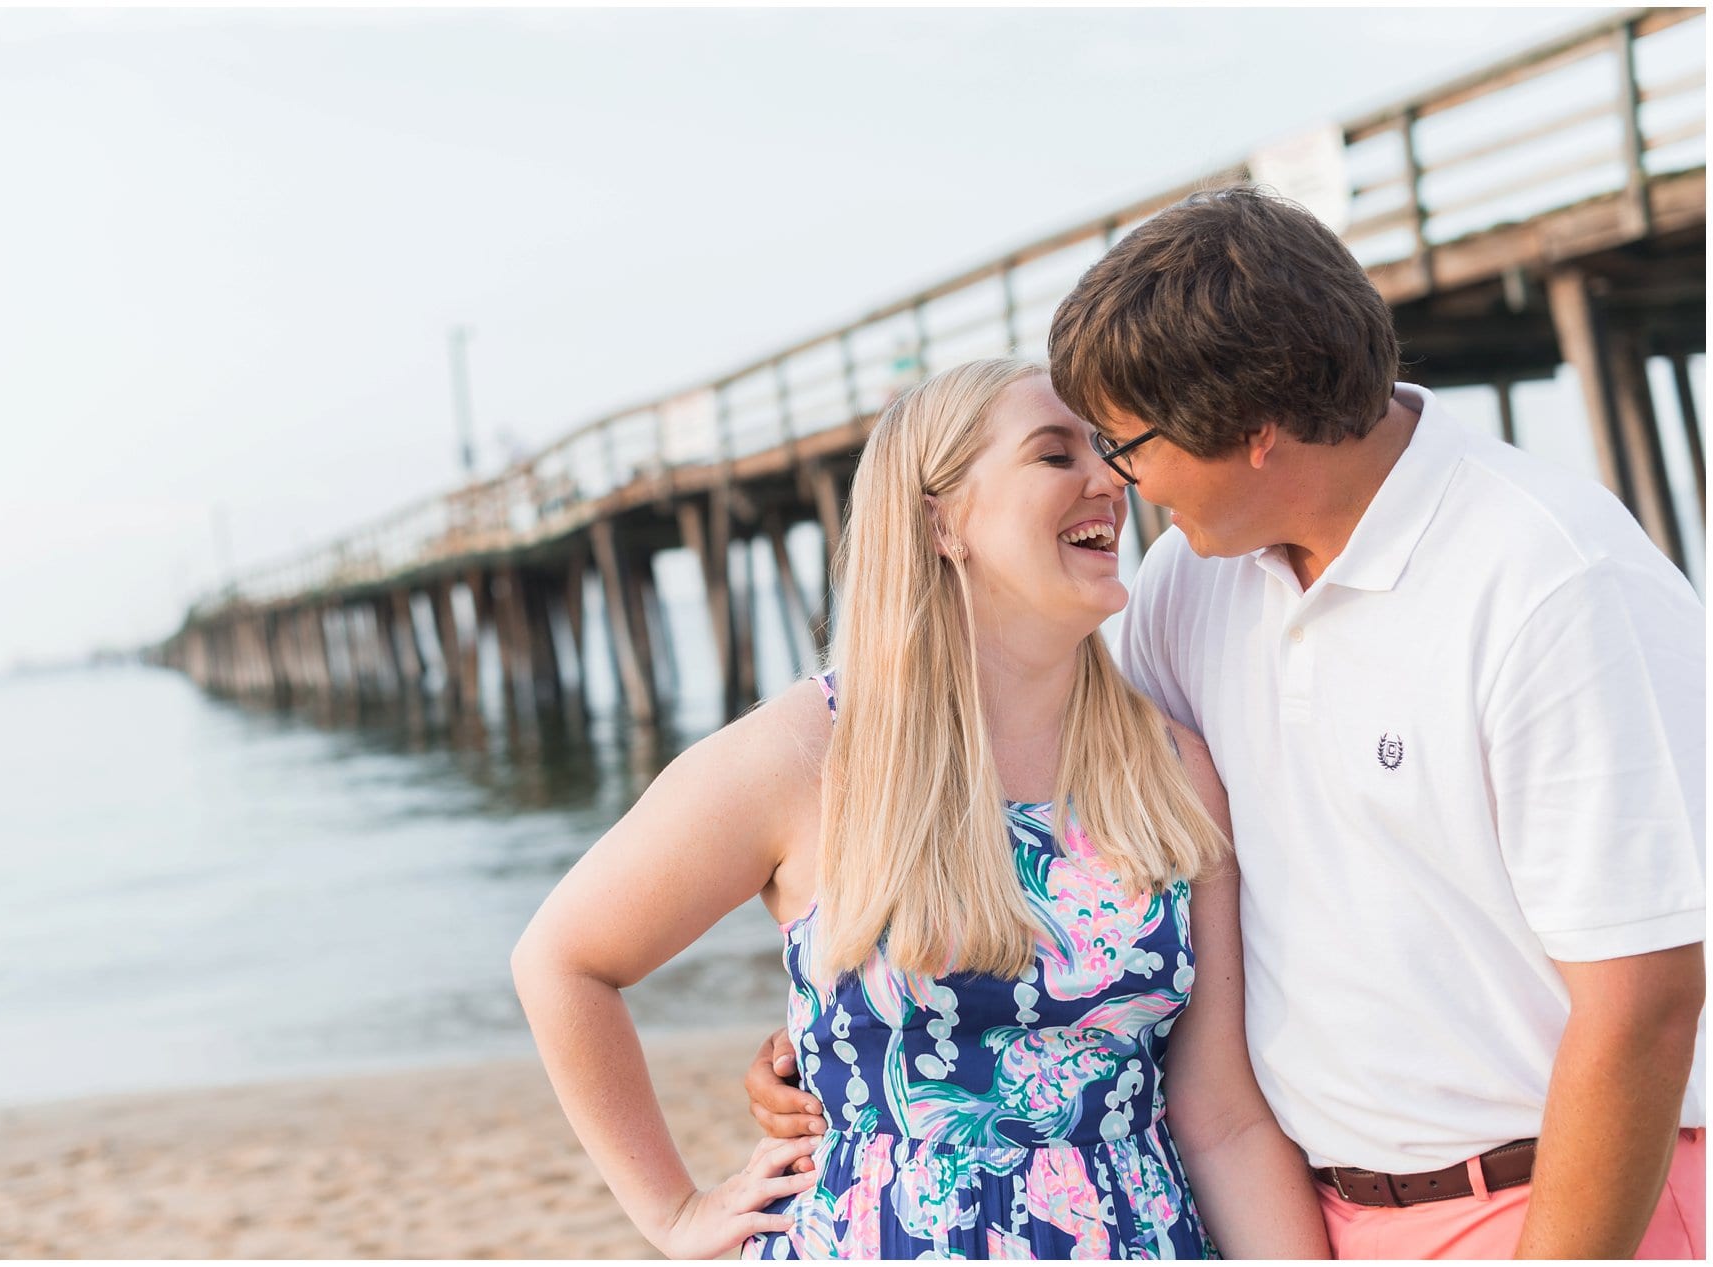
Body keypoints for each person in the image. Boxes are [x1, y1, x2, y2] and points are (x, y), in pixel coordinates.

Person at [748, 186, 1706, 1259]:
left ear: (1253, 432)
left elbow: (1645, 1003)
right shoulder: (1187, 587)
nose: (1118, 481)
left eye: (1124, 444)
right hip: (1304, 1213)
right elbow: (1087, 853)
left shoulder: (1552, 582)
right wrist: (860, 1022)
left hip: (1557, 1202)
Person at [513, 357, 1331, 1259]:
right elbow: (563, 961)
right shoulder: (808, 754)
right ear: (943, 520)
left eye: (1105, 449)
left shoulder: (1170, 769)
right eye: (1055, 454)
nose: (1109, 478)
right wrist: (672, 1213)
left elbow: (1222, 1120)